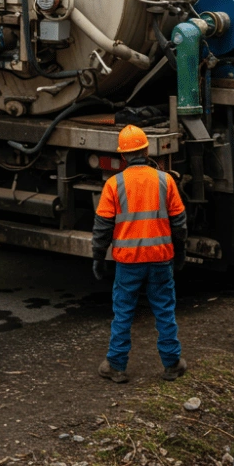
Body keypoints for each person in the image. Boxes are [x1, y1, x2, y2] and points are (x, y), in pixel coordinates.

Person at [92, 124, 188, 384]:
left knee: (123, 312)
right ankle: (171, 364)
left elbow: (102, 227)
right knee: (164, 311)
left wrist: (98, 258)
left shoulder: (114, 184)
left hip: (128, 263)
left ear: (123, 156)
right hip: (160, 259)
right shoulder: (165, 180)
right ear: (146, 150)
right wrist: (180, 253)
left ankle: (116, 365)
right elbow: (179, 223)